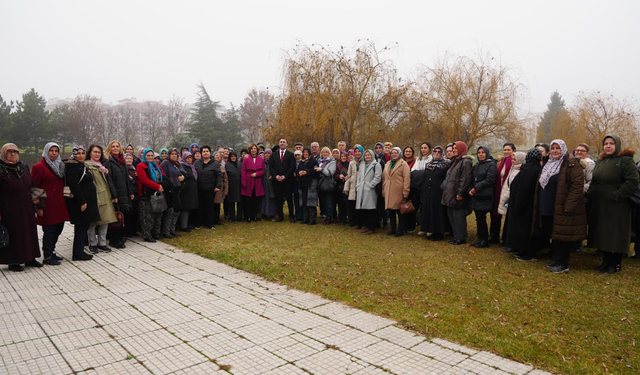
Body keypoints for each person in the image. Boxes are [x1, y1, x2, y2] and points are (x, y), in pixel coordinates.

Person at [532, 139, 587, 274]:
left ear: (563, 149)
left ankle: (563, 262)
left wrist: (569, 205)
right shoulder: (548, 163)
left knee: (562, 235)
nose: (555, 151)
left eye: (558, 148)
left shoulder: (571, 164)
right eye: (553, 148)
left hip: (562, 207)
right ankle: (556, 258)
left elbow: (577, 186)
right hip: (548, 206)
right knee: (553, 233)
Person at [587, 134, 639, 273]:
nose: (608, 146)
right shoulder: (602, 161)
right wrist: (589, 195)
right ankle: (605, 262)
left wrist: (618, 195)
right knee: (603, 234)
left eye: (611, 143)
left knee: (615, 234)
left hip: (617, 206)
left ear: (617, 145)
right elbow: (595, 181)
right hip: (601, 205)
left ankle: (615, 264)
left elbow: (633, 181)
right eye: (606, 143)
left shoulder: (625, 161)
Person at [0, 143, 43, 271]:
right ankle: (14, 261)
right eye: (9, 152)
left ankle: (30, 258)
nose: (13, 154)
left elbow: (33, 184)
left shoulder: (23, 166)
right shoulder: (1, 169)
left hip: (27, 207)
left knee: (29, 232)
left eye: (15, 151)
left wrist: (39, 202)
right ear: (3, 154)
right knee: (15, 234)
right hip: (9, 209)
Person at [32, 142, 70, 265]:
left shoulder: (60, 166)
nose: (54, 153)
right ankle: (47, 255)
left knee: (59, 228)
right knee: (49, 230)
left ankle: (52, 251)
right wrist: (38, 206)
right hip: (47, 204)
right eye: (51, 151)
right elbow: (34, 187)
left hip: (60, 203)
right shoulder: (39, 167)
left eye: (56, 151)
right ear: (46, 152)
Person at [509, 148, 543, 261]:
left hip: (525, 205)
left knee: (524, 229)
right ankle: (524, 251)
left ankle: (527, 253)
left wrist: (518, 205)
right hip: (532, 204)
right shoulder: (536, 168)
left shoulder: (528, 170)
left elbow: (523, 189)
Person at [63, 146, 96, 261]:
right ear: (74, 155)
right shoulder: (72, 167)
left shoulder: (81, 165)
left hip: (87, 201)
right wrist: (82, 201)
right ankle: (77, 253)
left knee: (84, 226)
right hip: (80, 202)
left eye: (83, 153)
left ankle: (80, 250)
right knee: (81, 227)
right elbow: (74, 185)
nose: (81, 155)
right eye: (79, 153)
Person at [85, 144, 118, 253]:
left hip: (106, 197)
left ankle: (102, 243)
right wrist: (95, 200)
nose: (97, 154)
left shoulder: (102, 166)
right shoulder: (88, 166)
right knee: (93, 223)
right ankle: (92, 244)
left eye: (99, 152)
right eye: (95, 152)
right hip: (96, 198)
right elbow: (91, 185)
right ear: (90, 153)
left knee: (105, 221)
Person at [442, 141, 473, 245]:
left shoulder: (465, 161)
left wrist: (460, 193)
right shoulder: (456, 161)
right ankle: (456, 236)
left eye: (456, 148)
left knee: (458, 216)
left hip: (457, 194)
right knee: (452, 215)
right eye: (453, 148)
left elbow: (465, 179)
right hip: (450, 193)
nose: (454, 150)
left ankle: (461, 238)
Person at [104, 140, 133, 249]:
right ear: (110, 148)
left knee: (122, 215)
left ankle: (120, 236)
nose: (115, 148)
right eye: (113, 146)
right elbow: (109, 179)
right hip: (116, 193)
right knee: (115, 216)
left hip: (124, 192)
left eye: (117, 146)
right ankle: (114, 240)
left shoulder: (122, 161)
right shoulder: (108, 161)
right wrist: (114, 194)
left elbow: (126, 179)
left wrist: (130, 192)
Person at [497, 151, 526, 253]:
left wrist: (506, 197)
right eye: (512, 159)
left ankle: (512, 244)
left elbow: (513, 186)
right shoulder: (513, 169)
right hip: (509, 198)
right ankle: (507, 241)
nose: (513, 161)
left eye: (515, 159)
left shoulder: (520, 171)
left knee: (513, 223)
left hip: (512, 199)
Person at [420, 146, 452, 241]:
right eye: (435, 151)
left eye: (439, 151)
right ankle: (430, 230)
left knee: (438, 213)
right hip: (428, 191)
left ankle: (439, 233)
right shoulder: (428, 164)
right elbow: (424, 179)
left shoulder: (446, 164)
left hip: (439, 192)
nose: (437, 153)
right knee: (429, 211)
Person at [469, 146, 497, 248]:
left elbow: (489, 179)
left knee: (482, 218)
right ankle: (480, 238)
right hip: (476, 195)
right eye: (479, 152)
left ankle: (485, 240)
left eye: (483, 152)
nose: (480, 154)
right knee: (478, 218)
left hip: (485, 195)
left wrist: (476, 188)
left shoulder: (491, 164)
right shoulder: (477, 165)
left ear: (487, 153)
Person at [137, 148, 167, 241]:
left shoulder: (156, 166)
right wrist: (157, 186)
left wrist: (162, 186)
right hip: (146, 194)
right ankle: (147, 235)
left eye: (151, 155)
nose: (150, 157)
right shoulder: (141, 166)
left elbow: (163, 176)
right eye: (148, 155)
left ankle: (156, 233)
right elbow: (144, 180)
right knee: (147, 216)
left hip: (158, 194)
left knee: (158, 214)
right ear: (144, 156)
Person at [490, 143, 516, 244]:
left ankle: (507, 238)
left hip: (508, 190)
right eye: (505, 150)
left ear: (513, 150)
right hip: (499, 190)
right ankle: (494, 235)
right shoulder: (503, 161)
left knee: (508, 213)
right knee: (496, 212)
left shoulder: (513, 161)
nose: (506, 152)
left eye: (508, 150)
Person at [383, 147, 411, 237]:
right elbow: (384, 178)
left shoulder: (403, 164)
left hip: (398, 191)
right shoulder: (388, 164)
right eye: (392, 153)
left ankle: (400, 230)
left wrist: (406, 191)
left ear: (399, 154)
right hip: (388, 190)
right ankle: (393, 229)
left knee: (400, 211)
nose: (394, 154)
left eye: (396, 152)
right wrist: (383, 189)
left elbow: (407, 179)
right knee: (390, 211)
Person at [160, 148, 186, 238]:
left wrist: (183, 176)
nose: (174, 155)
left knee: (177, 210)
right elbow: (162, 176)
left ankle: (172, 229)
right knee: (169, 212)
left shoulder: (177, 164)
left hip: (178, 188)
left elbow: (184, 173)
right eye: (172, 154)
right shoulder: (165, 163)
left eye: (175, 154)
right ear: (169, 155)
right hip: (170, 190)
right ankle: (166, 231)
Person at [356, 149, 382, 234]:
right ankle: (366, 225)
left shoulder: (376, 165)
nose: (367, 156)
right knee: (364, 208)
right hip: (362, 189)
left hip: (370, 189)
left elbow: (378, 177)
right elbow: (359, 176)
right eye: (366, 155)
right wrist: (358, 185)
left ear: (372, 155)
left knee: (371, 208)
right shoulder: (363, 165)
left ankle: (371, 227)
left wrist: (371, 185)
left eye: (369, 155)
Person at [270, 138, 296, 222]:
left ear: (287, 144)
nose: (282, 143)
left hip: (287, 181)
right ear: (279, 143)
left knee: (289, 199)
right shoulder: (274, 155)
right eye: (281, 142)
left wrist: (285, 176)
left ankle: (291, 216)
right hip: (277, 181)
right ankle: (280, 216)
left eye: (284, 142)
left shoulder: (290, 155)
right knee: (279, 199)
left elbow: (292, 167)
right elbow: (271, 167)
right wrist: (275, 176)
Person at [194, 145, 220, 230]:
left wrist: (217, 186)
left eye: (207, 151)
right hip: (199, 188)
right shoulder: (197, 163)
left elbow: (219, 175)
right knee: (200, 206)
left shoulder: (215, 163)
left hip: (210, 188)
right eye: (204, 151)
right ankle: (199, 223)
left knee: (209, 206)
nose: (205, 153)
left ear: (210, 153)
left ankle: (210, 224)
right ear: (201, 153)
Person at [241, 144, 265, 222]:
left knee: (255, 200)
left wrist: (257, 174)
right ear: (250, 150)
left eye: (255, 149)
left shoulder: (260, 159)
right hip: (248, 180)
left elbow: (263, 170)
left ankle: (254, 215)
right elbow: (243, 171)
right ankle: (247, 216)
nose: (253, 150)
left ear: (257, 150)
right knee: (248, 200)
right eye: (252, 149)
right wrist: (244, 182)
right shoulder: (246, 159)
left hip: (257, 181)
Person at [297, 148, 319, 224]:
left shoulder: (313, 161)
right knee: (304, 202)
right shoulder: (301, 162)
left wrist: (307, 172)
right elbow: (297, 170)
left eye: (307, 152)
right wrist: (299, 172)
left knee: (311, 202)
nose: (305, 154)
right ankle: (305, 218)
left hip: (311, 184)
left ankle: (312, 219)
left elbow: (316, 171)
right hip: (303, 184)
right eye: (304, 152)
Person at [177, 151, 198, 231]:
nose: (189, 159)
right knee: (185, 209)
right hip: (185, 190)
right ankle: (183, 226)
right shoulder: (182, 166)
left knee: (189, 208)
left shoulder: (191, 166)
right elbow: (184, 176)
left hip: (192, 190)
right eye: (187, 158)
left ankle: (186, 224)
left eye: (190, 158)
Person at [345, 145, 364, 229]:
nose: (357, 153)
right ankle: (354, 222)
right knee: (352, 206)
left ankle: (361, 223)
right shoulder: (351, 163)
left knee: (360, 206)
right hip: (352, 186)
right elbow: (348, 176)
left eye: (359, 151)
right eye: (355, 152)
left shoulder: (365, 162)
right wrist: (346, 188)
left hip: (361, 186)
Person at [316, 147, 336, 225]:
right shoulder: (319, 161)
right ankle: (325, 215)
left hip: (328, 184)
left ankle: (330, 216)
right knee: (323, 201)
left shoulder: (332, 161)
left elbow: (330, 173)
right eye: (323, 152)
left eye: (326, 152)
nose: (324, 153)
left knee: (329, 201)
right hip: (320, 183)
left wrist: (321, 169)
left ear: (329, 153)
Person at [123, 152, 140, 237]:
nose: (129, 160)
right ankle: (127, 232)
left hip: (136, 194)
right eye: (127, 158)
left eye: (131, 158)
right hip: (129, 194)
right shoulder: (124, 169)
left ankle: (133, 231)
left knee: (135, 213)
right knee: (128, 214)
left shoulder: (134, 168)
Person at [224, 151, 242, 222]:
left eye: (234, 156)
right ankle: (232, 217)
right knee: (231, 202)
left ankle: (239, 217)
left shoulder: (240, 164)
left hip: (239, 185)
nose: (233, 157)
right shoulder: (227, 165)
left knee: (240, 202)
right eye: (232, 156)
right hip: (231, 185)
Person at [261, 149, 278, 219]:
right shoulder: (262, 162)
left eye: (268, 153)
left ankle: (272, 214)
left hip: (271, 183)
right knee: (263, 199)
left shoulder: (274, 162)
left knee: (272, 198)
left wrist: (273, 176)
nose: (267, 155)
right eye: (265, 153)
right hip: (263, 183)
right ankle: (264, 213)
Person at [213, 151, 228, 225]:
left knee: (217, 205)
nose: (217, 157)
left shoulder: (222, 166)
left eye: (219, 156)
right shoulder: (210, 165)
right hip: (211, 188)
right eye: (216, 156)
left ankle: (217, 219)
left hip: (219, 188)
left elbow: (225, 179)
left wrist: (225, 190)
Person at [334, 151, 349, 224]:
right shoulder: (338, 165)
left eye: (345, 156)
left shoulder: (349, 164)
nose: (343, 158)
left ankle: (347, 217)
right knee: (340, 204)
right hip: (340, 186)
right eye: (342, 156)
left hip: (347, 185)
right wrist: (339, 176)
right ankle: (341, 218)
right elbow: (335, 175)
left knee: (346, 203)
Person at [293, 150, 303, 222]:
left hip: (302, 183)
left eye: (298, 155)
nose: (297, 156)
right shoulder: (293, 163)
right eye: (295, 155)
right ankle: (297, 215)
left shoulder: (303, 162)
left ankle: (303, 215)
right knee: (296, 200)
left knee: (302, 199)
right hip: (295, 183)